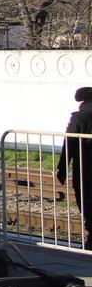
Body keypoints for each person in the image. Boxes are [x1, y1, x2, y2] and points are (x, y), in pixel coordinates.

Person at [56, 86, 92, 244]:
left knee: (86, 199)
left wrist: (62, 168)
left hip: (85, 167)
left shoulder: (79, 117)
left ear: (82, 101)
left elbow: (69, 143)